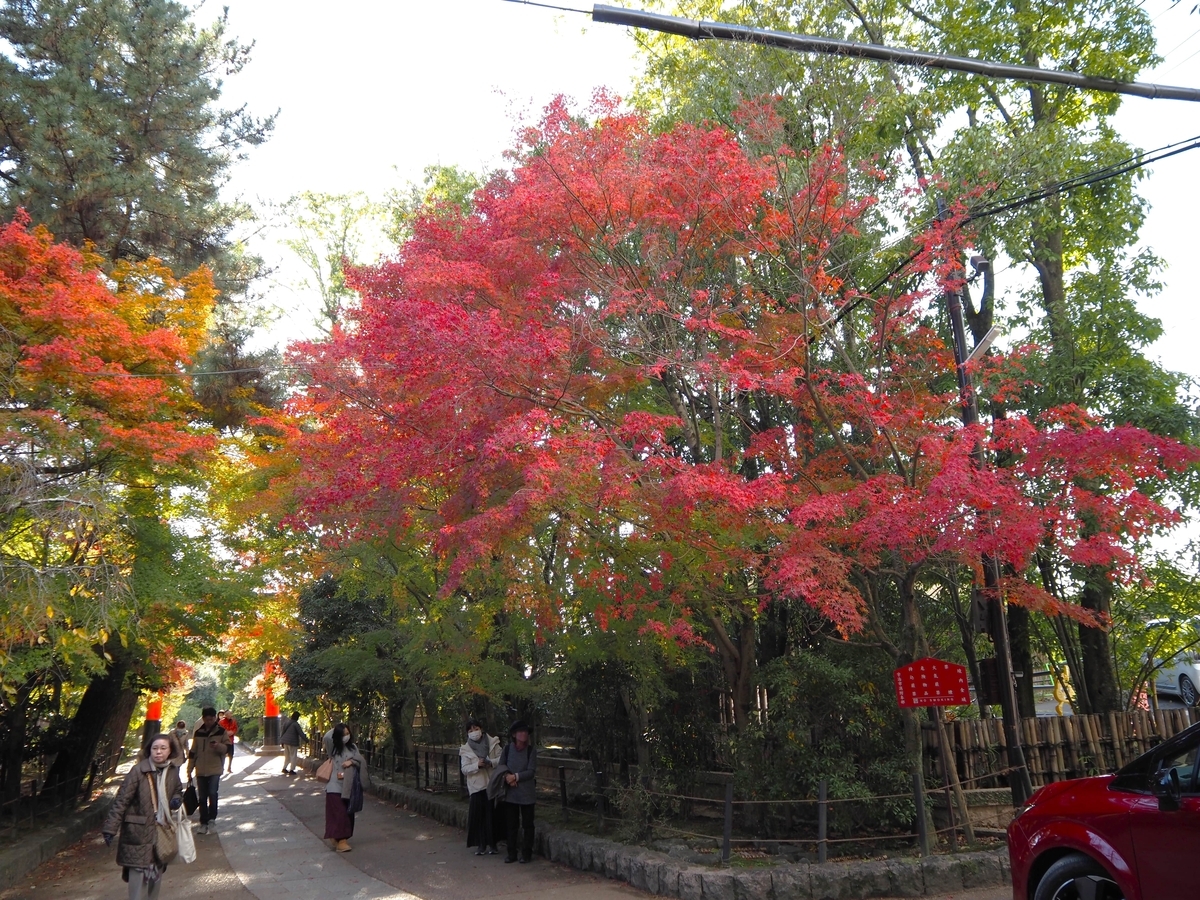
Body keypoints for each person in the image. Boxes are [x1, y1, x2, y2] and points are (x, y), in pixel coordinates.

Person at [102, 733, 183, 900]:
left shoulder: (172, 771)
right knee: (138, 881)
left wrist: (176, 799)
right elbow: (122, 800)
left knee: (155, 878)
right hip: (137, 834)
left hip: (161, 834)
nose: (158, 752)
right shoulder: (138, 771)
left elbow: (177, 790)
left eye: (163, 748)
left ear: (170, 751)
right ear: (149, 750)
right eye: (155, 748)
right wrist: (110, 827)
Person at [459, 718, 500, 855]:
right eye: (470, 730)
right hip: (476, 786)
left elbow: (502, 759)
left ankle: (493, 844)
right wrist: (477, 765)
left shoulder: (493, 742)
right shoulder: (465, 749)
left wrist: (490, 762)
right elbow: (464, 769)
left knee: (492, 815)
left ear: (481, 729)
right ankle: (480, 844)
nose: (474, 732)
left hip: (492, 784)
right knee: (478, 816)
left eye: (476, 729)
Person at [323, 722, 365, 852]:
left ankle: (341, 838)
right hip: (334, 786)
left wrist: (351, 762)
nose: (346, 736)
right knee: (338, 813)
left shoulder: (353, 748)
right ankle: (341, 840)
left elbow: (360, 761)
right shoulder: (333, 748)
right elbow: (326, 737)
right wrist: (337, 728)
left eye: (347, 733)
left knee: (348, 814)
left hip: (349, 786)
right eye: (343, 734)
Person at [187, 707, 228, 835]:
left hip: (215, 768)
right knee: (202, 796)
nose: (209, 721)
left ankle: (212, 819)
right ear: (203, 718)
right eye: (207, 719)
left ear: (215, 718)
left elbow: (227, 748)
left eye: (211, 719)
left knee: (212, 793)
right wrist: (189, 769)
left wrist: (218, 746)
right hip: (201, 769)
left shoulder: (221, 731)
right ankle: (203, 822)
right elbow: (193, 752)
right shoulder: (198, 733)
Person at [501, 720, 537, 864]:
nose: (523, 734)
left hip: (527, 793)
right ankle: (511, 853)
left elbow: (531, 771)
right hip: (511, 793)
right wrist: (507, 777)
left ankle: (527, 853)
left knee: (528, 824)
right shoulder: (507, 749)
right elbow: (501, 766)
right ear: (514, 735)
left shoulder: (531, 750)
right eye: (520, 732)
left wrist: (516, 776)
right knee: (511, 824)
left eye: (525, 732)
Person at [279, 711, 307, 775]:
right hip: (293, 742)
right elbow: (301, 733)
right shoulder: (296, 724)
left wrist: (282, 741)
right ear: (297, 717)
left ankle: (284, 768)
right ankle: (292, 769)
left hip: (285, 741)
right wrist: (306, 740)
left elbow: (282, 732)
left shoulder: (286, 722)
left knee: (287, 756)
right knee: (293, 756)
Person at [216, 710, 238, 774]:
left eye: (230, 714)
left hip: (231, 740)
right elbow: (219, 730)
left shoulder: (233, 721)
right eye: (228, 714)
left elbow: (236, 728)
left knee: (231, 755)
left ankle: (229, 767)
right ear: (225, 715)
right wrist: (226, 733)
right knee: (222, 755)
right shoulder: (221, 722)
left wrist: (232, 732)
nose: (229, 715)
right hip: (223, 741)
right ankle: (222, 767)